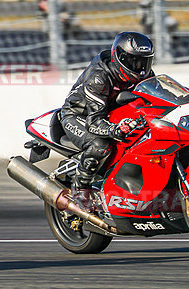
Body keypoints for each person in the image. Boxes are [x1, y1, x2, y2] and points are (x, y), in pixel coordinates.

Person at [60, 31, 155, 210]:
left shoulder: (145, 73)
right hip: (79, 116)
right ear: (119, 57)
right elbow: (95, 122)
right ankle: (80, 191)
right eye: (134, 61)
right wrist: (115, 130)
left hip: (111, 113)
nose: (140, 67)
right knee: (100, 146)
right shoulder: (98, 77)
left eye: (144, 61)